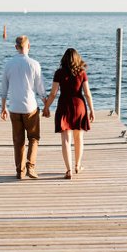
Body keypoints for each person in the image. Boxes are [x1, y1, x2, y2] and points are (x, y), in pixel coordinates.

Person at [42, 48, 94, 179]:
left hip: (64, 106)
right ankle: (77, 165)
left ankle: (69, 170)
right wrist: (92, 110)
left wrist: (46, 107)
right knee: (79, 137)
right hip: (79, 106)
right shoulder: (82, 73)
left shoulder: (59, 73)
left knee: (65, 139)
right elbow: (87, 93)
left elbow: (53, 93)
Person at [0, 35, 47, 180]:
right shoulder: (34, 64)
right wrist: (46, 105)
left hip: (14, 107)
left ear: (16, 47)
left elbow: (4, 88)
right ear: (29, 46)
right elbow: (40, 89)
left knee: (18, 140)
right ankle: (30, 167)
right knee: (33, 138)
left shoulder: (8, 64)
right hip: (30, 108)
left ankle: (19, 171)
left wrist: (3, 107)